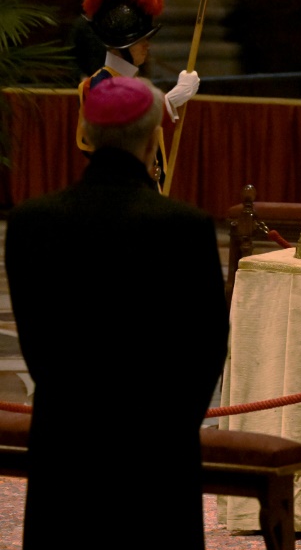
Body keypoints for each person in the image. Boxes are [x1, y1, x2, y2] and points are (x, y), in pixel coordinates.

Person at [5, 77, 229, 548]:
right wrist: (172, 426)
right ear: (153, 140)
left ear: (86, 132)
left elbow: (36, 344)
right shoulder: (184, 227)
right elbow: (207, 347)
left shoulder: (31, 222)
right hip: (157, 445)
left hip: (65, 438)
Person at [76, 0, 202, 185]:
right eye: (140, 40)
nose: (147, 45)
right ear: (122, 45)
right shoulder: (97, 85)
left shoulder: (133, 82)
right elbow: (118, 131)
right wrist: (170, 101)